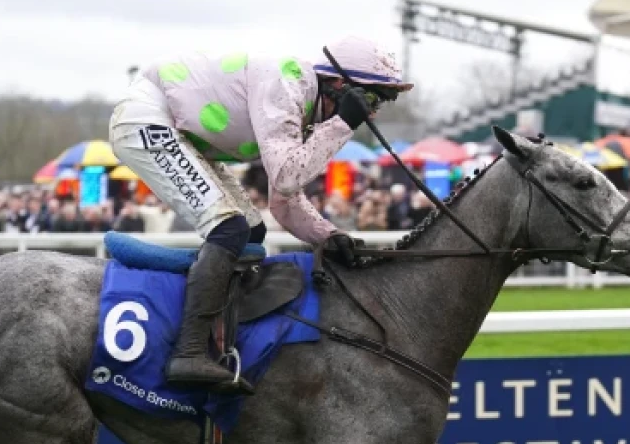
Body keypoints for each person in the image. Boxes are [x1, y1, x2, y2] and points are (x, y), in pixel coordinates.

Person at [109, 36, 412, 393]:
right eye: (372, 99)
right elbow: (286, 179)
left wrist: (328, 235)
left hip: (180, 132)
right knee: (230, 227)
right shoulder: (289, 82)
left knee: (252, 230)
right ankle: (188, 351)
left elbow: (283, 201)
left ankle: (222, 337)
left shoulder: (313, 109)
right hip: (148, 119)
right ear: (341, 86)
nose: (372, 113)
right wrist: (342, 123)